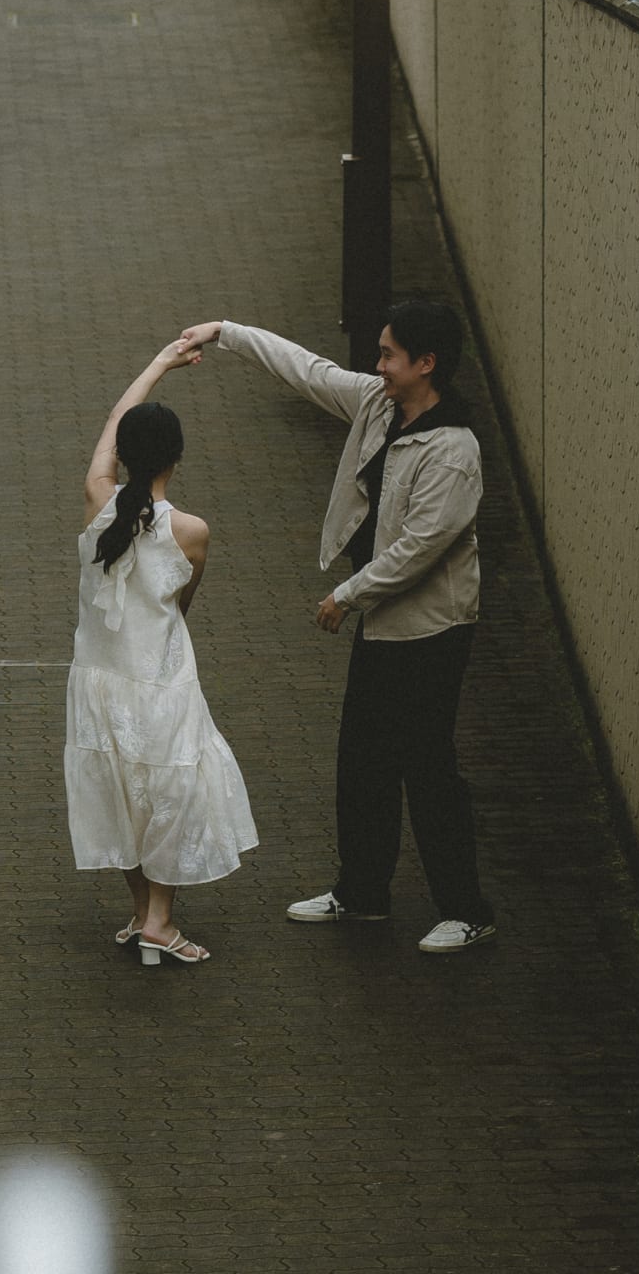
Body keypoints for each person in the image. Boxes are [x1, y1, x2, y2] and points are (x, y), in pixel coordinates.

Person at [177, 299, 495, 954]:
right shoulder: (381, 406)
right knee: (362, 761)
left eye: (388, 355)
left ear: (426, 364)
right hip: (384, 627)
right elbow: (308, 370)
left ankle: (467, 909)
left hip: (431, 632)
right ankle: (362, 893)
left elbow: (420, 548)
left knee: (428, 766)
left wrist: (346, 594)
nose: (377, 365)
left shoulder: (454, 452)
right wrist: (226, 332)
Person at [66, 339, 257, 966]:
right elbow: (183, 602)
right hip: (162, 679)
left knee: (116, 790)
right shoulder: (191, 532)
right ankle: (159, 921)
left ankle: (142, 912)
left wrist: (157, 363)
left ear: (122, 457)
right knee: (171, 788)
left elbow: (108, 435)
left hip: (98, 679)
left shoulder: (99, 502)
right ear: (175, 458)